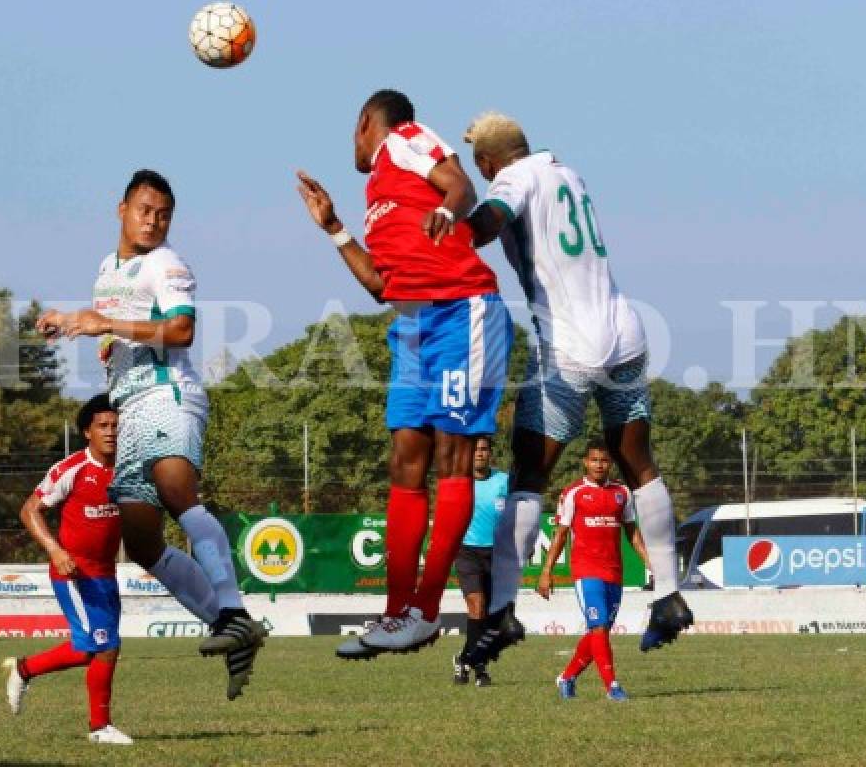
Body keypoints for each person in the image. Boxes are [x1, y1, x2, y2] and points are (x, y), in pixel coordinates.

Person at [453, 112, 693, 666]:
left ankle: (503, 610)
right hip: (626, 336)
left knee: (528, 477)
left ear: (488, 162)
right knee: (639, 464)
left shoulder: (513, 178)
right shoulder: (569, 174)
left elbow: (492, 216)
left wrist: (457, 230)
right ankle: (669, 595)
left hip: (568, 352)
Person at [296, 89, 513, 657]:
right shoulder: (376, 194)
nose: (354, 142)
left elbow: (460, 184)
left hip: (461, 309)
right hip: (412, 324)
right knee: (404, 461)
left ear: (366, 120)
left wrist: (448, 208)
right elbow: (378, 284)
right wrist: (335, 228)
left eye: (353, 130)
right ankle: (397, 616)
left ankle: (424, 608)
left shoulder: (406, 138)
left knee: (452, 459)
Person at [36, 169, 266, 701]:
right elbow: (114, 321)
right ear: (121, 209)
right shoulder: (107, 268)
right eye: (145, 210)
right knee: (142, 544)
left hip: (168, 396)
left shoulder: (168, 264)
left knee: (178, 492)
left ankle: (232, 611)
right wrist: (75, 324)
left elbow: (182, 330)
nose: (153, 221)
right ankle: (232, 630)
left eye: (163, 213)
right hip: (129, 406)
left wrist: (107, 327)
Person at [2, 394, 132, 745]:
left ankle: (24, 669)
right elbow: (30, 510)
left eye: (116, 426)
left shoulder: (130, 469)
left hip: (105, 574)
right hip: (73, 574)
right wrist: (56, 551)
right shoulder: (71, 469)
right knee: (103, 646)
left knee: (92, 648)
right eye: (103, 426)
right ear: (87, 432)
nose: (111, 432)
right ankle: (99, 728)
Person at [537, 441, 648, 702]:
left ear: (610, 464)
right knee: (597, 628)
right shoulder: (573, 493)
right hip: (586, 570)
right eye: (594, 460)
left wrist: (649, 562)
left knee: (599, 632)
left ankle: (567, 677)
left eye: (604, 461)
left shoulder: (622, 493)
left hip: (614, 572)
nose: (599, 465)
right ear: (585, 462)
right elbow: (560, 534)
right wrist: (546, 571)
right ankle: (613, 687)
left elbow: (632, 533)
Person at [452, 436, 508, 687]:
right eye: (475, 450)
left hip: (496, 553)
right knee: (476, 604)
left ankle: (464, 659)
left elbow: (516, 515)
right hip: (467, 550)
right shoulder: (458, 482)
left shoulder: (504, 481)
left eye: (484, 449)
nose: (480, 454)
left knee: (487, 615)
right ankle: (480, 667)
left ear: (490, 453)